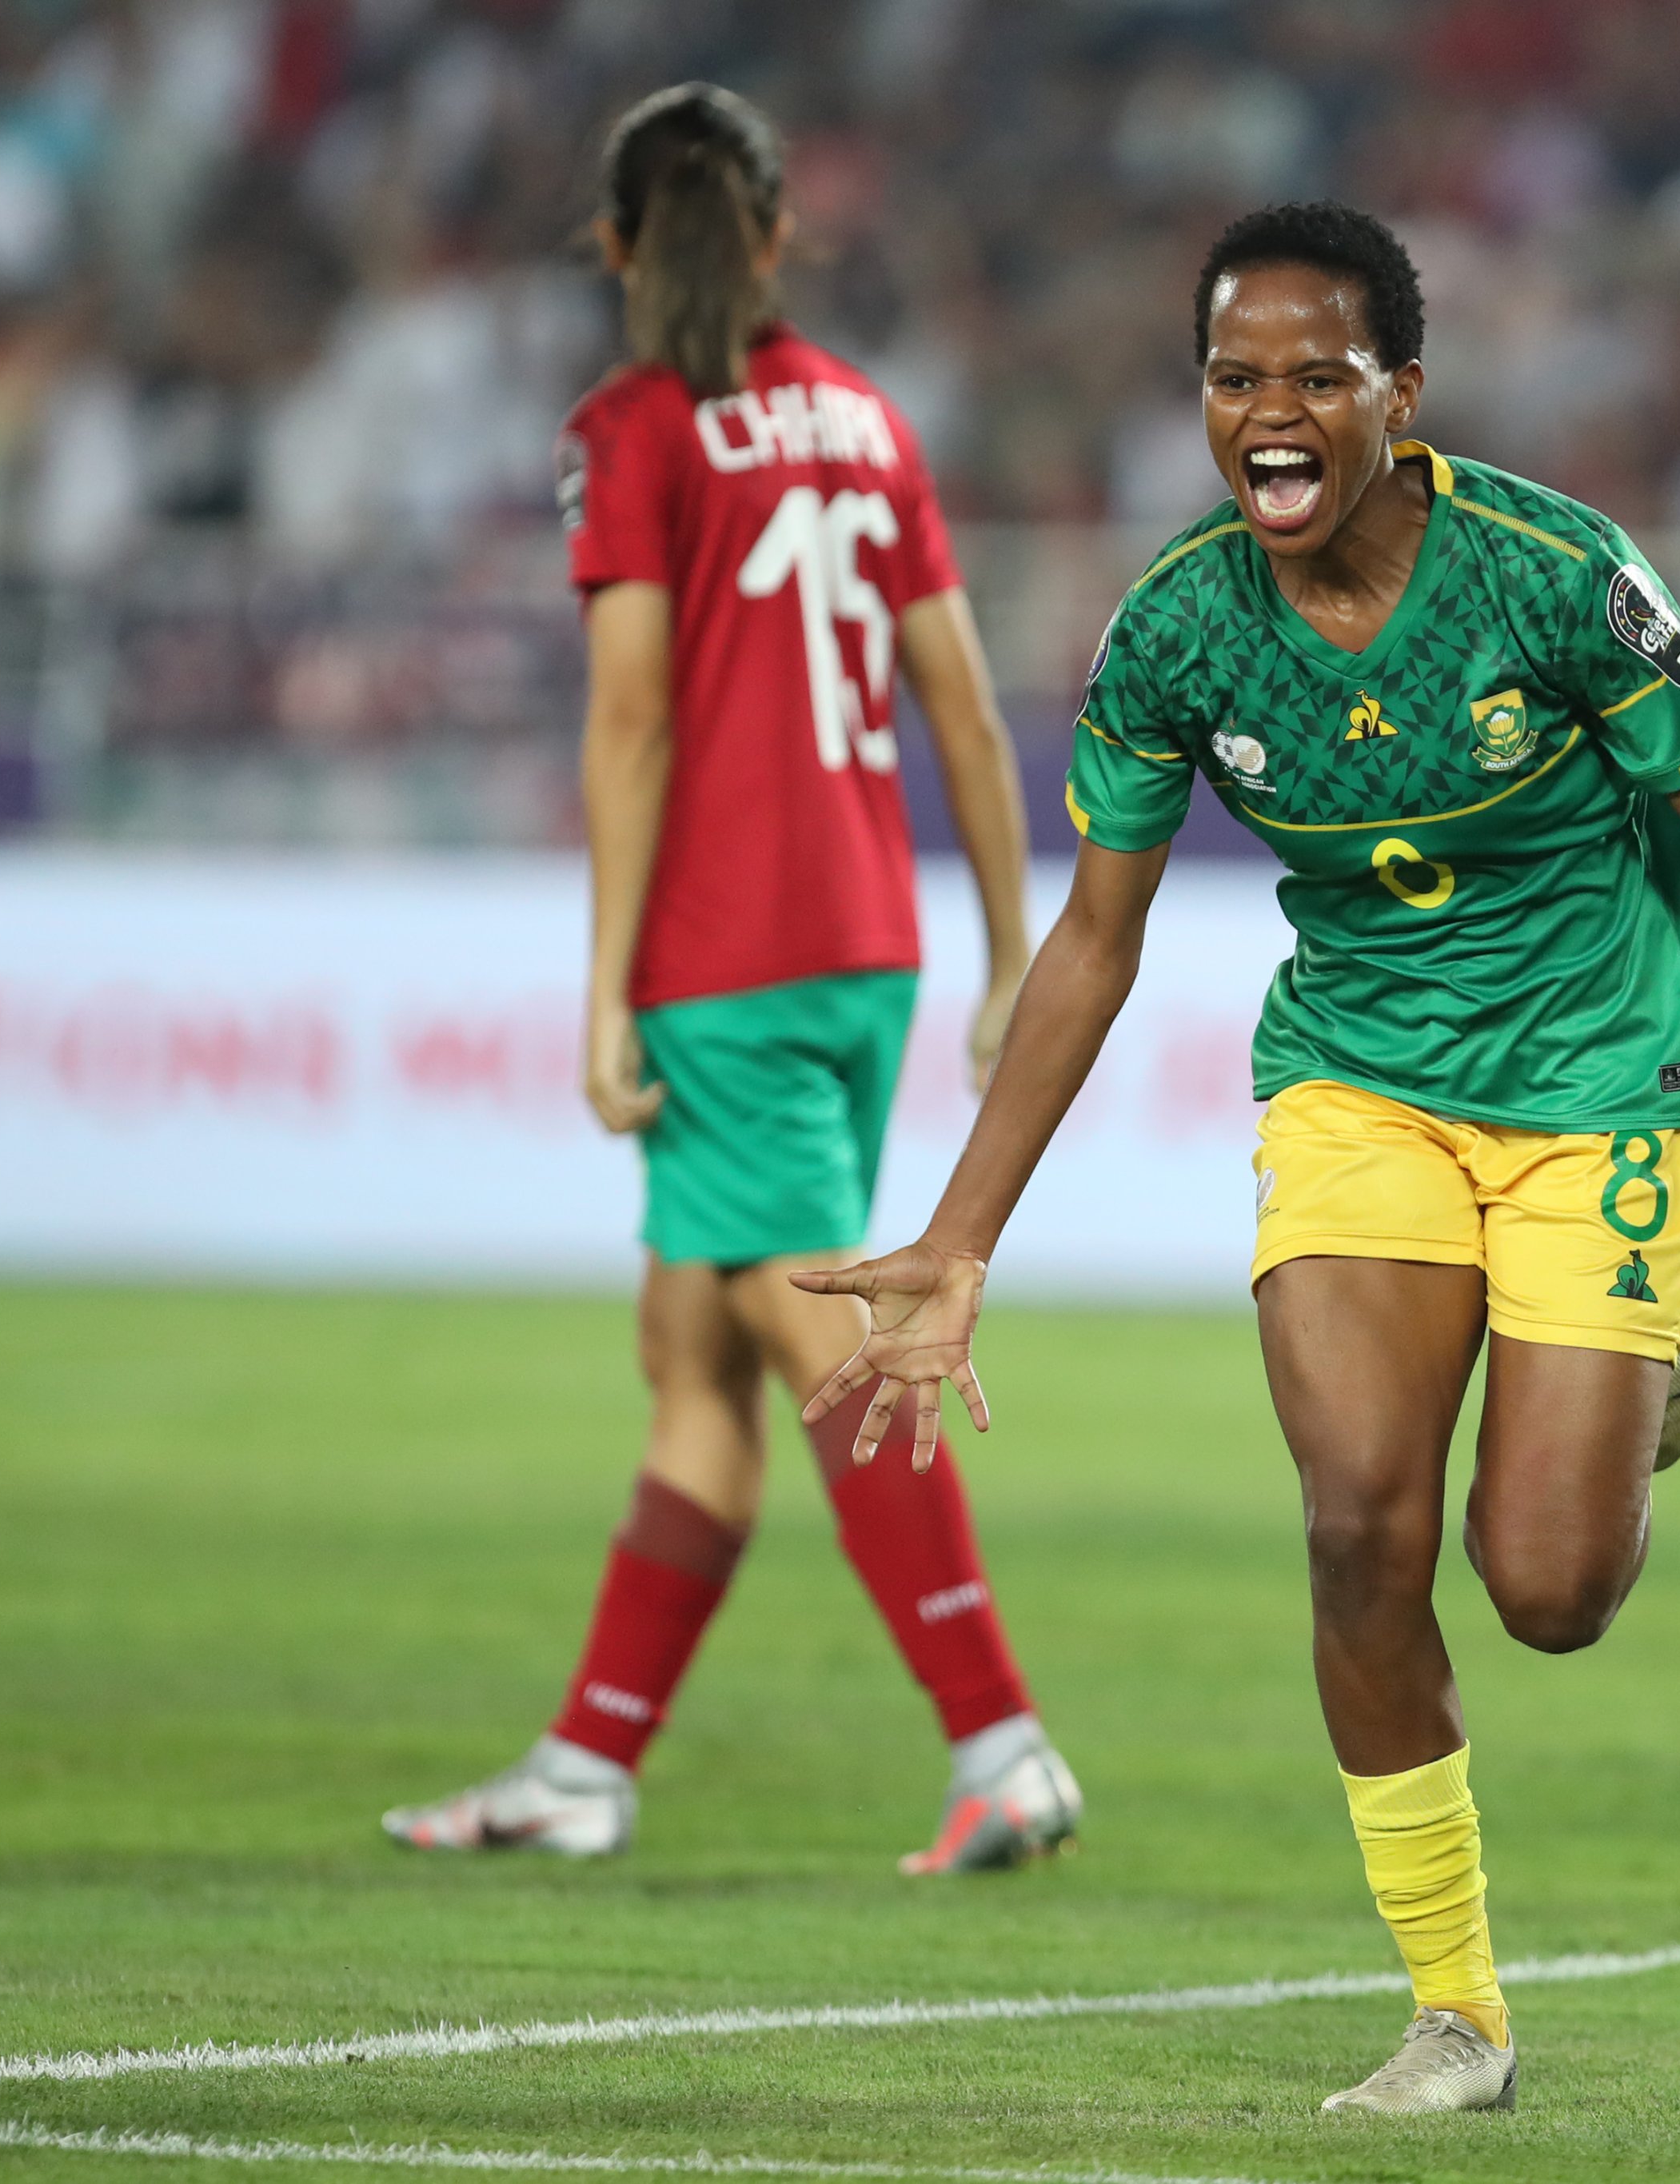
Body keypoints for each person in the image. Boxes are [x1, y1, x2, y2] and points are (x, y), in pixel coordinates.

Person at [786, 202, 1680, 2114]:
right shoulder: (1173, 628)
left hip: (1600, 1085)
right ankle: (1455, 2012)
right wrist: (958, 1233)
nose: (1269, 411)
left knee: (1549, 1587)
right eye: (1234, 377)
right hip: (1360, 1090)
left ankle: (1636, 1382)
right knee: (1355, 1526)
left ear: (1398, 398)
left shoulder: (1551, 574)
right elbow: (1097, 937)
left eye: (1315, 376)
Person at [382, 84, 1078, 1874]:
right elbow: (963, 707)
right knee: (687, 1348)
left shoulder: (627, 431)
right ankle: (586, 1766)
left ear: (615, 247)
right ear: (776, 237)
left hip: (726, 962)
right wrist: (1010, 941)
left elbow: (627, 722)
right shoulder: (865, 421)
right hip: (865, 951)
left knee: (807, 1329)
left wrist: (606, 990)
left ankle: (1000, 1741)